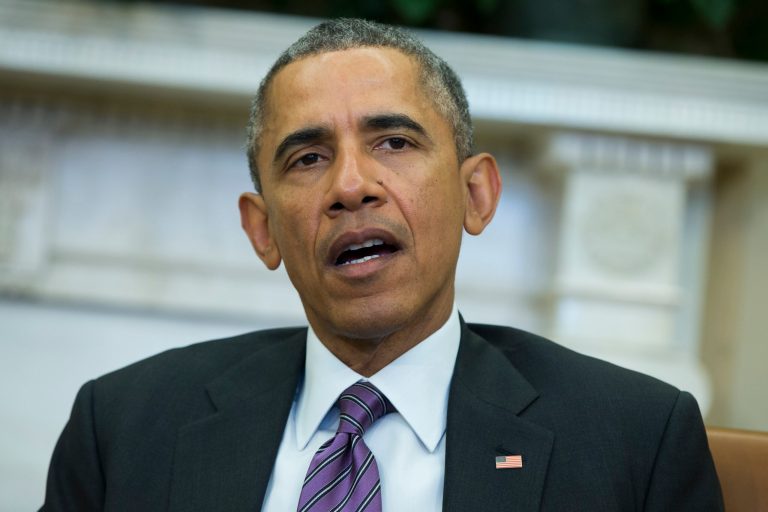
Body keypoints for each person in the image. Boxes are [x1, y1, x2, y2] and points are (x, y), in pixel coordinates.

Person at [40, 18, 723, 511]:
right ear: (263, 229)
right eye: (307, 158)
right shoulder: (125, 427)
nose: (350, 186)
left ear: (475, 194)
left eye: (393, 141)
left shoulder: (633, 440)